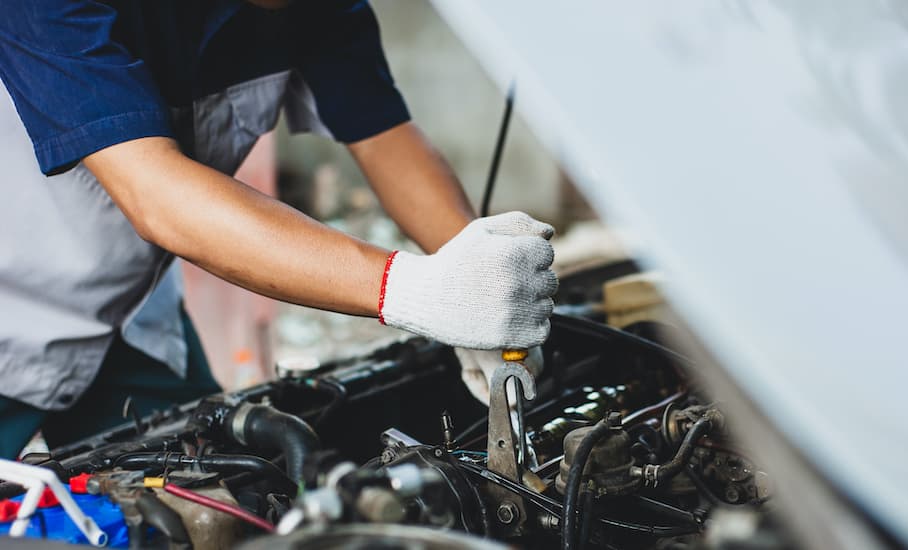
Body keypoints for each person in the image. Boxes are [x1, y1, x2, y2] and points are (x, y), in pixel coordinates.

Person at [0, 0, 556, 459]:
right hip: (11, 309)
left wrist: (476, 276)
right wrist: (416, 290)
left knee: (215, 496)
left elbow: (385, 136)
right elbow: (157, 194)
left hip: (133, 317)